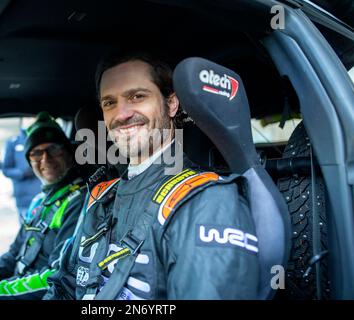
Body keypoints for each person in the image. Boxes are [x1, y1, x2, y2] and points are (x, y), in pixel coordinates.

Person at [43, 51, 259, 300]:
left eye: (137, 96)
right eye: (109, 102)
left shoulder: (208, 202)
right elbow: (62, 287)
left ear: (172, 104)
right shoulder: (100, 197)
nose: (122, 114)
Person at [0, 111, 88, 300]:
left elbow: (57, 276)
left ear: (67, 153)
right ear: (29, 161)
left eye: (53, 149)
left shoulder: (79, 202)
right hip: (18, 286)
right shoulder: (38, 201)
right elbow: (14, 253)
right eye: (36, 153)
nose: (45, 159)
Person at [2, 117, 42, 223]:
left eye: (33, 118)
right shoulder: (13, 142)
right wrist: (22, 173)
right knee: (26, 231)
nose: (30, 120)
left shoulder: (43, 141)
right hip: (23, 197)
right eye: (27, 118)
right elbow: (6, 169)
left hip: (43, 193)